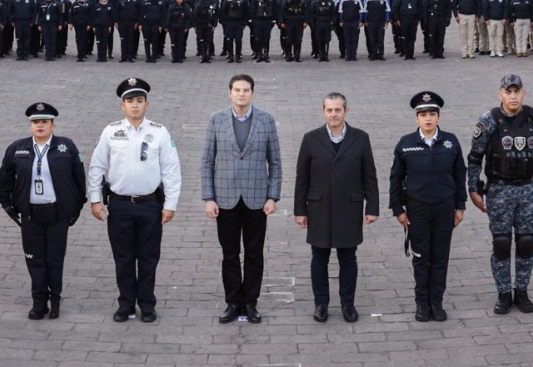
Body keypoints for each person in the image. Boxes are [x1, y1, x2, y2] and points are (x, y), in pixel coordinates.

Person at [86, 78, 182, 323]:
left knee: (149, 258)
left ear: (147, 104)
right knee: (124, 258)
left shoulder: (159, 132)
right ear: (122, 105)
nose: (135, 106)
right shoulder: (111, 131)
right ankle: (126, 304)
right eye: (130, 101)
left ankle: (147, 304)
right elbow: (97, 167)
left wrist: (170, 204)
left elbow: (171, 170)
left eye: (139, 101)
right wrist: (96, 200)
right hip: (119, 205)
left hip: (150, 204)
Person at [199, 75, 283, 324]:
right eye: (237, 90)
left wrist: (273, 196)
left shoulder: (266, 120)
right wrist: (208, 197)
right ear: (230, 93)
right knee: (230, 253)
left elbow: (275, 162)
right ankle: (233, 301)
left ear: (253, 93)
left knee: (255, 253)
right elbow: (207, 161)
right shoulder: (216, 120)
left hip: (257, 198)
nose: (241, 94)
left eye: (246, 90)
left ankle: (251, 302)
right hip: (225, 198)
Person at [466, 74, 533, 316]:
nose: (513, 96)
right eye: (508, 91)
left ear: (524, 93)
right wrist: (473, 188)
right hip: (500, 190)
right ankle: (504, 293)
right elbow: (475, 157)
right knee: (502, 243)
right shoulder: (489, 120)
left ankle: (522, 292)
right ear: (500, 94)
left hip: (529, 189)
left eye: (517, 91)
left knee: (526, 242)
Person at [294, 93, 378, 323]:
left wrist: (372, 206)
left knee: (348, 259)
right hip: (319, 207)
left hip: (348, 207)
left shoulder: (360, 138)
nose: (333, 114)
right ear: (323, 111)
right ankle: (321, 303)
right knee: (318, 258)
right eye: (329, 110)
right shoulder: (311, 139)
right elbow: (302, 177)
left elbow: (369, 175)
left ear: (346, 111)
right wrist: (299, 210)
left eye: (338, 110)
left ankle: (347, 304)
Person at [0, 102, 86, 319]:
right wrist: (7, 205)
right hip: (30, 214)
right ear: (30, 126)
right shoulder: (17, 148)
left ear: (52, 125)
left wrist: (76, 206)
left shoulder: (66, 146)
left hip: (57, 213)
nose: (40, 126)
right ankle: (39, 302)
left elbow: (79, 178)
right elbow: (3, 180)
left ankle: (55, 300)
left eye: (44, 122)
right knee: (34, 259)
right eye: (36, 122)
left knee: (55, 259)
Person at [388, 91, 467, 322]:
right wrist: (398, 210)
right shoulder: (406, 144)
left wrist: (460, 205)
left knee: (440, 258)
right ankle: (422, 304)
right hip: (417, 210)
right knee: (421, 258)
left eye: (432, 114)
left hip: (444, 208)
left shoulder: (451, 141)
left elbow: (459, 173)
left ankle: (437, 303)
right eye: (423, 115)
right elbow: (396, 178)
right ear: (417, 119)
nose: (428, 118)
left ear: (439, 117)